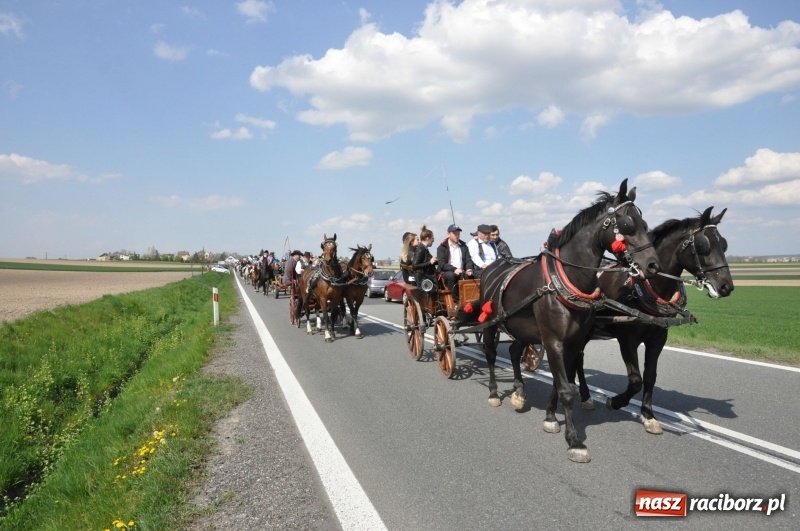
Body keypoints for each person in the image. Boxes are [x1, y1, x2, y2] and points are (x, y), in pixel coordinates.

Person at [436, 224, 474, 304]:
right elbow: (442, 264)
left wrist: (469, 269)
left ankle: (472, 300)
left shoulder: (463, 246)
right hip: (447, 272)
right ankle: (457, 301)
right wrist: (454, 269)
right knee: (451, 276)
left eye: (458, 234)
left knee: (474, 275)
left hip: (462, 271)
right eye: (454, 234)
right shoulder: (442, 248)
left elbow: (468, 260)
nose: (457, 236)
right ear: (448, 234)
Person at [412, 225, 438, 291]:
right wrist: (430, 262)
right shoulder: (421, 249)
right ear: (427, 238)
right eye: (432, 238)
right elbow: (415, 266)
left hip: (427, 278)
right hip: (424, 280)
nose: (433, 241)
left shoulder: (425, 249)